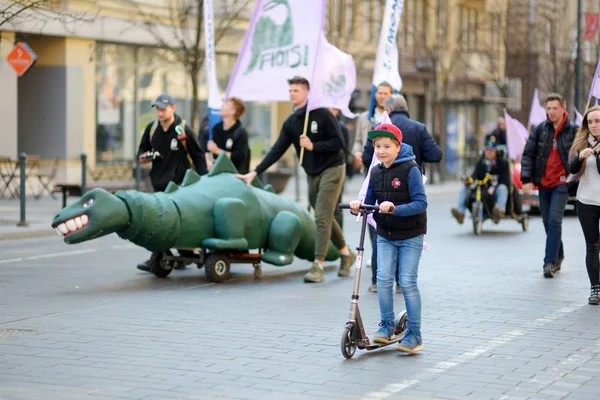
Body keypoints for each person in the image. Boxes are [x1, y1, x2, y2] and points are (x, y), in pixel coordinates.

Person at [235, 76, 356, 283]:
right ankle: (346, 253)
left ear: (307, 93)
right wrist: (255, 171)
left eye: (296, 90)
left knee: (321, 216)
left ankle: (318, 265)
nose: (292, 94)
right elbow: (276, 150)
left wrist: (313, 146)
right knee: (323, 215)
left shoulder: (322, 114)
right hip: (312, 172)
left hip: (333, 168)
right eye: (290, 90)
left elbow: (339, 143)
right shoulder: (291, 122)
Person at [349, 123, 427, 353]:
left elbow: (421, 203)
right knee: (383, 279)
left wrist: (395, 208)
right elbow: (371, 202)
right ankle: (386, 325)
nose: (381, 150)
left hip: (411, 234)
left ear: (397, 146)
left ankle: (414, 334)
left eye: (386, 146)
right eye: (377, 146)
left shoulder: (411, 169)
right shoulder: (375, 171)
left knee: (407, 282)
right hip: (385, 233)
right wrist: (358, 206)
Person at [363, 94, 443, 293]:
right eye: (379, 147)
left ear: (387, 110)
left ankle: (377, 280)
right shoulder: (419, 128)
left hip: (383, 187)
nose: (381, 150)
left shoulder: (378, 128)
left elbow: (366, 157)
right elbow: (436, 154)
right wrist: (416, 159)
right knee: (401, 234)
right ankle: (400, 283)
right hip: (410, 188)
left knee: (380, 234)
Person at [136, 93, 208, 272]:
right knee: (159, 222)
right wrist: (143, 157)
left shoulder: (183, 129)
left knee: (169, 222)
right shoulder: (152, 128)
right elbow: (142, 149)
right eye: (158, 109)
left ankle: (168, 256)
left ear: (173, 108)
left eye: (163, 109)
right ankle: (169, 256)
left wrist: (205, 181)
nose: (160, 113)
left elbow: (198, 156)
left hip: (179, 185)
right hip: (159, 183)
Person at [521, 93, 578, 278]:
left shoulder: (574, 131)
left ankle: (549, 262)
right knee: (547, 222)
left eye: (555, 108)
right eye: (549, 108)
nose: (551, 112)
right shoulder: (539, 130)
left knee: (554, 220)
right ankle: (559, 254)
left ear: (563, 109)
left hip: (562, 183)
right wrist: (527, 179)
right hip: (543, 183)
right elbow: (528, 155)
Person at [567, 105, 600, 304]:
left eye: (597, 121)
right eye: (590, 122)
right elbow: (570, 168)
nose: (594, 125)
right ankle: (595, 289)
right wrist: (580, 157)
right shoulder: (581, 142)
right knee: (592, 245)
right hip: (586, 200)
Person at [450, 141, 510, 224]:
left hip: (495, 190)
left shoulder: (502, 163)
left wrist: (494, 187)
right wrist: (468, 180)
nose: (489, 153)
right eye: (487, 150)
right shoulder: (481, 163)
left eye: (491, 151)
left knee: (503, 189)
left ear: (495, 152)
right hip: (483, 189)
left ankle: (499, 212)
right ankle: (460, 213)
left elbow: (505, 180)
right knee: (463, 190)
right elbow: (474, 176)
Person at [203, 97, 250, 174]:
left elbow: (239, 157)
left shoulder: (240, 132)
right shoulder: (216, 129)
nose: (222, 106)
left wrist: (217, 151)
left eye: (226, 104)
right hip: (217, 174)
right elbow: (206, 149)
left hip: (234, 176)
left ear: (232, 111)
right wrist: (208, 161)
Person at [353, 82, 394, 170]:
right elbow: (358, 140)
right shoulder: (364, 117)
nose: (382, 96)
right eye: (380, 93)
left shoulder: (394, 118)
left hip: (389, 166)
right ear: (375, 95)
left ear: (391, 96)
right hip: (369, 166)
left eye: (386, 94)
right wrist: (357, 152)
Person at [329, 107, 350, 230]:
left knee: (336, 205)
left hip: (337, 168)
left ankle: (338, 240)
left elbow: (345, 151)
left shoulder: (341, 127)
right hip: (321, 170)